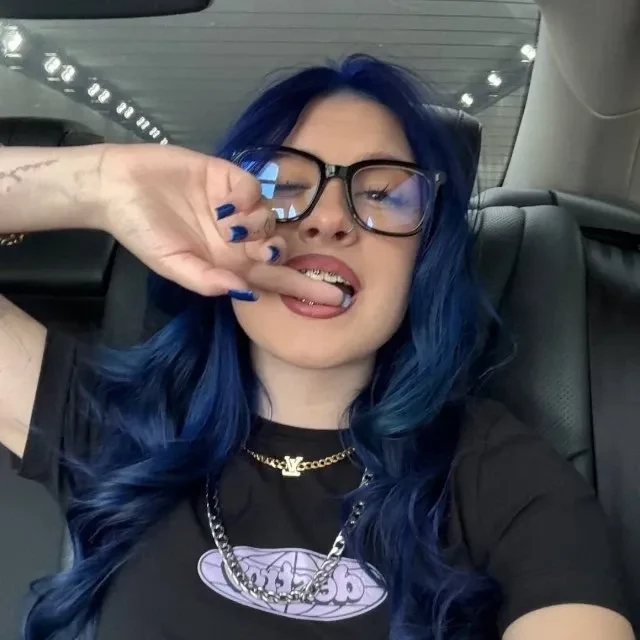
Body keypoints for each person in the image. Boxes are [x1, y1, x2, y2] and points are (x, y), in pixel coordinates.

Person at [0, 55, 634, 640]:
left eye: (382, 195)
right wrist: (99, 181)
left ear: (424, 259)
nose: (328, 220)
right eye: (280, 186)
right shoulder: (113, 421)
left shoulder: (502, 477)